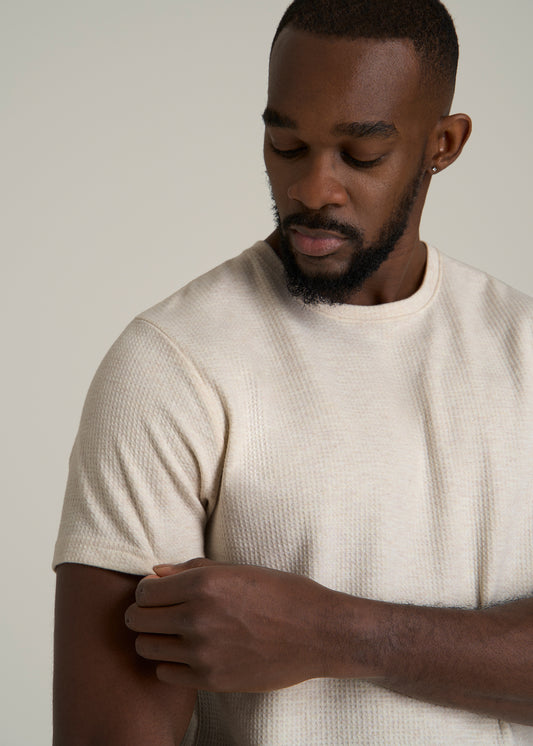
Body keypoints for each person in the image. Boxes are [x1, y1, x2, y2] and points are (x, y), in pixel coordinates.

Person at [52, 0, 533, 743]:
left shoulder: (521, 348)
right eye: (285, 145)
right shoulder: (171, 366)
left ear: (442, 143)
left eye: (360, 155)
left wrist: (331, 634)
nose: (313, 191)